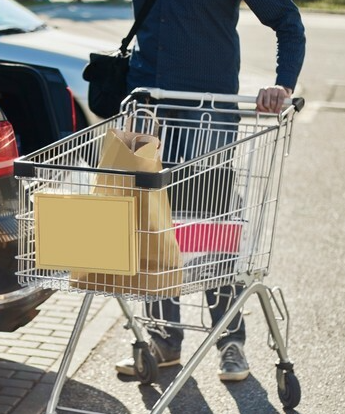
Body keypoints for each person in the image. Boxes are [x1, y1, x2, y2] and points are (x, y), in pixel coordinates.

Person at [114, 0, 306, 382]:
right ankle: (163, 339)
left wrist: (283, 84)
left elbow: (288, 20)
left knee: (212, 222)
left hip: (208, 109)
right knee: (149, 225)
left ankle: (229, 342)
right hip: (145, 105)